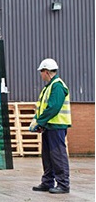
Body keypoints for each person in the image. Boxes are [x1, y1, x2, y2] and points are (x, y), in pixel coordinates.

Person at [30, 58, 72, 194]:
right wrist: (40, 122)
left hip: (57, 126)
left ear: (46, 72)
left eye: (41, 72)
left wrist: (40, 122)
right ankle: (47, 182)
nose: (40, 75)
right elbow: (43, 107)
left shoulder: (57, 86)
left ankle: (63, 184)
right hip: (49, 125)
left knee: (58, 155)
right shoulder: (49, 87)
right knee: (48, 156)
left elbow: (53, 107)